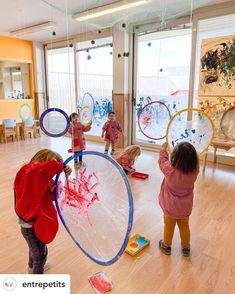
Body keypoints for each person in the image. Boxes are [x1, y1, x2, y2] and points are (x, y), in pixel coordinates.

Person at [14, 149, 72, 274]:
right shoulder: (29, 172)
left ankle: (31, 268)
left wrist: (53, 190)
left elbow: (50, 198)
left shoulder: (43, 177)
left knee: (36, 250)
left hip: (37, 222)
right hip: (29, 226)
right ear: (43, 161)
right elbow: (39, 169)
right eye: (53, 164)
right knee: (40, 256)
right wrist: (60, 165)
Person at [158, 142, 199, 257]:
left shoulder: (169, 169)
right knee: (185, 226)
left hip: (170, 206)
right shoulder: (194, 171)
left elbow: (162, 161)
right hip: (185, 207)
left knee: (168, 225)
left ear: (175, 157)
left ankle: (166, 246)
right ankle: (186, 248)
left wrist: (163, 150)